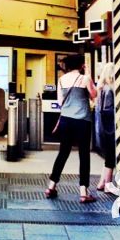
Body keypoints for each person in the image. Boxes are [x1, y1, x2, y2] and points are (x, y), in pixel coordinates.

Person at [45, 54, 97, 203]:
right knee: (84, 155)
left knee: (63, 153)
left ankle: (51, 186)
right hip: (82, 121)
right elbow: (94, 95)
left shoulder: (62, 80)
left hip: (66, 121)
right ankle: (83, 192)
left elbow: (60, 102)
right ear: (81, 65)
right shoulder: (85, 78)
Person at [95, 62, 117, 192]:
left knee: (108, 156)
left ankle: (101, 183)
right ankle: (108, 185)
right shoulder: (109, 89)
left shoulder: (101, 88)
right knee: (111, 157)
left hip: (102, 127)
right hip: (109, 128)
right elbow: (108, 110)